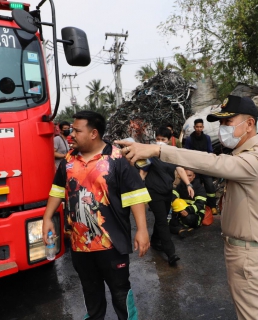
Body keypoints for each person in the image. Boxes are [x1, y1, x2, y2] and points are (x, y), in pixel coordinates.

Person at [117, 94, 258, 320]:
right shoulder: (244, 155)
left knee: (252, 315)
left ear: (250, 124)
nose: (222, 128)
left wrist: (158, 150)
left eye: (227, 122)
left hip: (248, 253)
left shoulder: (255, 159)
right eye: (220, 123)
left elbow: (212, 162)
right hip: (242, 249)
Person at [42, 111, 151, 320]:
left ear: (93, 133)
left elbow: (135, 195)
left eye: (76, 130)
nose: (71, 134)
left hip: (112, 244)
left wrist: (142, 230)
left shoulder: (116, 158)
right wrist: (48, 218)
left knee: (120, 292)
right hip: (79, 244)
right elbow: (57, 189)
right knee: (91, 294)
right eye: (72, 130)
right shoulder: (69, 160)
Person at [140, 126, 193, 266]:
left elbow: (180, 169)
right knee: (163, 221)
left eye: (163, 139)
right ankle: (171, 253)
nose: (159, 142)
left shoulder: (172, 155)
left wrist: (188, 184)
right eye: (157, 139)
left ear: (169, 140)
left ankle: (155, 241)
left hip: (167, 191)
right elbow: (143, 173)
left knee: (162, 218)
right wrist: (138, 190)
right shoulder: (151, 156)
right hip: (153, 192)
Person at [184, 118, 218, 214]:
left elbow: (210, 151)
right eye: (197, 127)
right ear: (194, 127)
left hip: (204, 166)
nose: (199, 129)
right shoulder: (189, 139)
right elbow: (187, 153)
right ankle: (197, 206)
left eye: (200, 127)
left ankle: (212, 206)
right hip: (194, 167)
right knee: (196, 186)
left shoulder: (207, 138)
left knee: (210, 186)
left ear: (203, 127)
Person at [170, 169, 207, 237]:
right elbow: (173, 196)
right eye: (185, 175)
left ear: (194, 176)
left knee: (188, 218)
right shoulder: (180, 186)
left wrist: (188, 210)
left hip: (195, 214)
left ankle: (180, 228)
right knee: (167, 219)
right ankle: (181, 230)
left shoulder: (199, 188)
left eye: (190, 175)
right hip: (181, 212)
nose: (187, 178)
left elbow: (200, 204)